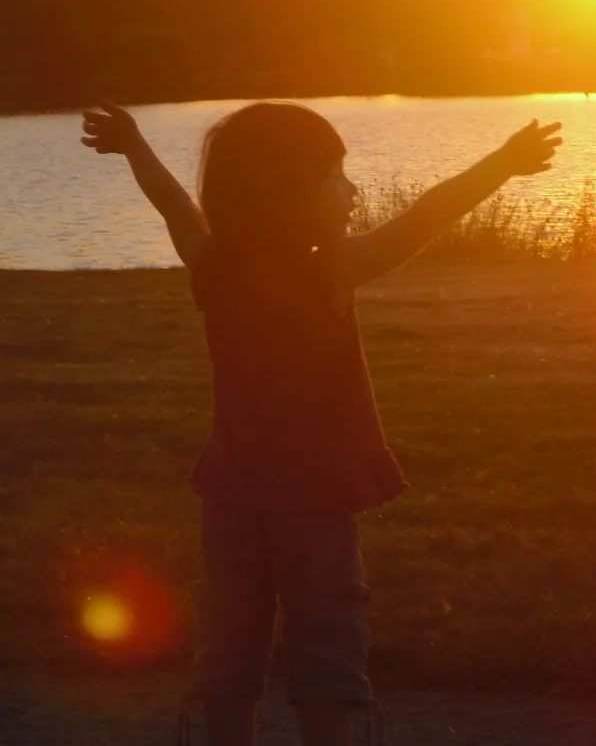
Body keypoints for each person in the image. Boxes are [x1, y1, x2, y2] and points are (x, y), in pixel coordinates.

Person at [81, 100, 562, 746]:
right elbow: (427, 216)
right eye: (337, 176)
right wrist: (503, 164)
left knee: (229, 642)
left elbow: (174, 205)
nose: (353, 189)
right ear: (289, 194)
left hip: (231, 498)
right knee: (327, 637)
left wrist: (136, 146)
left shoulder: (212, 266)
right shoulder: (329, 271)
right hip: (315, 500)